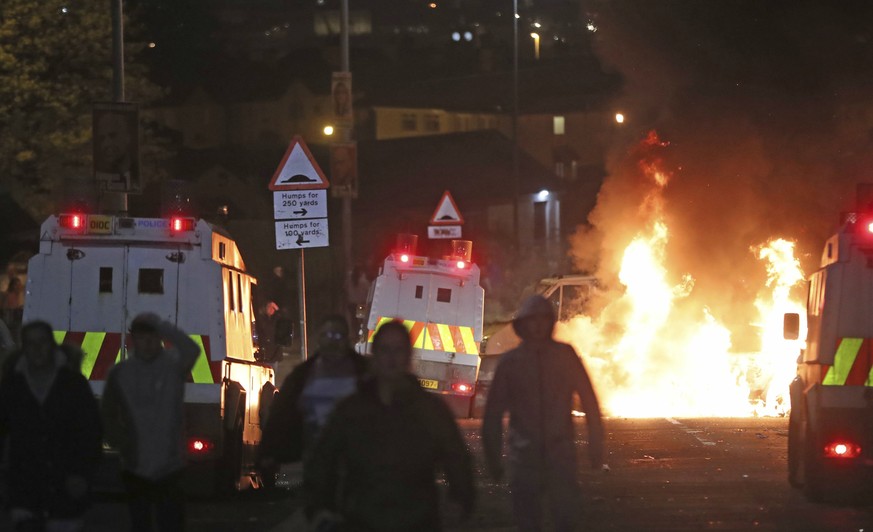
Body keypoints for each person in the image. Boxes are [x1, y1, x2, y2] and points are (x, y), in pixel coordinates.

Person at [303, 320, 475, 531]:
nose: (391, 358)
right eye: (385, 350)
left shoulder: (428, 410)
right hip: (361, 520)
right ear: (374, 354)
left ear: (408, 355)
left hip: (416, 521)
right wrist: (318, 508)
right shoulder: (353, 409)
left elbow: (456, 456)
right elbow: (324, 458)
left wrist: (461, 498)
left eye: (398, 350)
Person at [482, 295, 605, 532]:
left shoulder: (565, 356)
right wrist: (492, 458)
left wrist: (596, 446)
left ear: (550, 322)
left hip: (560, 454)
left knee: (566, 518)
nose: (538, 325)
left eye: (543, 319)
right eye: (532, 320)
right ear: (522, 324)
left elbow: (589, 401)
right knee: (527, 521)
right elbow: (493, 413)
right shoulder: (511, 362)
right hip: (524, 456)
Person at [101, 313, 200, 532]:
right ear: (133, 340)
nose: (148, 343)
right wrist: (120, 442)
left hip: (170, 465)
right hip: (135, 465)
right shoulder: (120, 373)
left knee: (171, 523)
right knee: (140, 523)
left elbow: (192, 349)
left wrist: (164, 326)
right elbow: (107, 412)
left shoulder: (173, 366)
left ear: (160, 339)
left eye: (153, 337)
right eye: (142, 338)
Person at [0, 321, 102, 532]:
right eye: (30, 343)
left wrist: (81, 473)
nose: (37, 349)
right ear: (23, 348)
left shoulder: (74, 385)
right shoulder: (12, 386)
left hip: (65, 486)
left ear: (52, 345)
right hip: (25, 488)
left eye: (42, 342)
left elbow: (90, 433)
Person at [258, 315, 368, 476]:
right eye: (327, 336)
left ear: (346, 339)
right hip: (316, 456)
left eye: (337, 336)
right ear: (320, 339)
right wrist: (268, 452)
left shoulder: (366, 373)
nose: (332, 341)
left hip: (354, 458)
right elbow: (281, 413)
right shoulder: (302, 375)